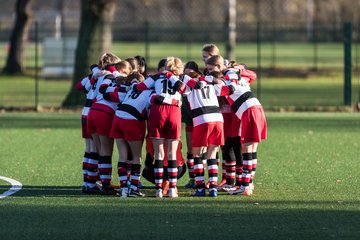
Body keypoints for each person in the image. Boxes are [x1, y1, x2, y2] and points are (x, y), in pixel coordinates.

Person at [205, 55, 266, 196]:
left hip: (249, 110)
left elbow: (230, 89)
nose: (208, 72)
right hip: (253, 108)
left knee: (247, 149)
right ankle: (248, 184)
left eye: (211, 69)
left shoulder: (229, 73)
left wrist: (211, 84)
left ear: (220, 67)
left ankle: (245, 186)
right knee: (251, 149)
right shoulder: (229, 75)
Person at [134, 56, 184, 198]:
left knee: (159, 154)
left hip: (158, 111)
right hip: (174, 111)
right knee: (172, 154)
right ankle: (173, 189)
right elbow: (185, 90)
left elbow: (139, 88)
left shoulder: (156, 77)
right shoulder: (181, 78)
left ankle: (158, 190)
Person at [106, 72, 152, 197]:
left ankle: (123, 189)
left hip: (118, 117)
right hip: (132, 120)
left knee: (123, 155)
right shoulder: (150, 92)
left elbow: (110, 94)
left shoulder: (132, 87)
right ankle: (134, 189)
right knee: (136, 156)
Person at [87, 53, 123, 195]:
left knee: (98, 150)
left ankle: (91, 183)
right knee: (106, 151)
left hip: (92, 111)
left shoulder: (98, 74)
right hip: (105, 112)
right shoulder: (115, 76)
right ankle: (105, 185)